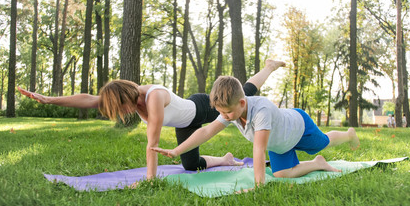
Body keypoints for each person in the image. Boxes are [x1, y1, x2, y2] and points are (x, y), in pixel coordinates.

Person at [18, 59, 285, 180]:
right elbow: (90, 99)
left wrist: (150, 178)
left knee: (246, 93)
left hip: (200, 108)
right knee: (190, 166)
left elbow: (152, 144)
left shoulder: (153, 98)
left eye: (120, 109)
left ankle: (269, 66)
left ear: (127, 98)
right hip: (184, 124)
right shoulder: (125, 96)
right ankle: (225, 159)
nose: (122, 115)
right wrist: (49, 99)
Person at [151, 75, 360, 188]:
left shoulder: (261, 110)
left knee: (323, 142)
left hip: (299, 128)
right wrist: (177, 151)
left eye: (228, 112)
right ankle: (317, 164)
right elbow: (206, 133)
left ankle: (349, 134)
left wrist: (258, 186)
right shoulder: (229, 111)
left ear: (242, 102)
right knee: (280, 174)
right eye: (221, 113)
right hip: (280, 144)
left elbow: (258, 151)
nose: (224, 116)